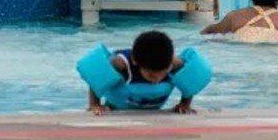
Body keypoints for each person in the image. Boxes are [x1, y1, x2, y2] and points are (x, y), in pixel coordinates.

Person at [77, 29, 213, 113]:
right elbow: (97, 76)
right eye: (151, 75)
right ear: (135, 61)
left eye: (163, 74)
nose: (157, 80)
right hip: (115, 107)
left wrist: (184, 104)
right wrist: (95, 104)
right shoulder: (121, 64)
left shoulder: (174, 63)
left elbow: (189, 81)